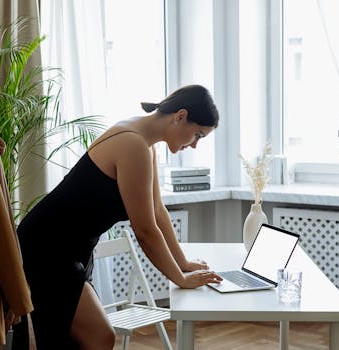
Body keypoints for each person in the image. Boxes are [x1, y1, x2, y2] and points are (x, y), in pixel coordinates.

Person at [12, 84, 223, 349]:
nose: (193, 145)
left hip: (70, 249)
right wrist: (179, 279)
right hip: (47, 248)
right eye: (198, 135)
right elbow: (145, 231)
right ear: (181, 116)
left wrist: (183, 263)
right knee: (100, 336)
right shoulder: (132, 144)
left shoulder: (145, 145)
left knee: (77, 339)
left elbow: (157, 211)